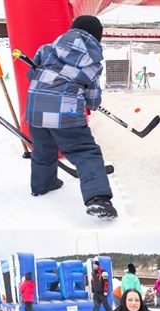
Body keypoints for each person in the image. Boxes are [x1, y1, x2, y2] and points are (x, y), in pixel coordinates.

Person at [24, 15, 117, 220]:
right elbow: (92, 99)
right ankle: (98, 199)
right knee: (85, 152)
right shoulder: (92, 61)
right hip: (65, 113)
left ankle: (43, 185)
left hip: (35, 110)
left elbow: (32, 75)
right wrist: (91, 101)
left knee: (43, 150)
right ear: (96, 37)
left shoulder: (46, 49)